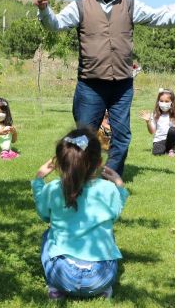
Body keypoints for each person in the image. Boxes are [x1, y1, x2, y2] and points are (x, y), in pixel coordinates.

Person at [33, 0, 175, 176]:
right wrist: (44, 10)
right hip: (90, 85)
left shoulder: (130, 5)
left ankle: (110, 179)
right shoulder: (80, 6)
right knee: (83, 136)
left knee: (122, 136)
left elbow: (159, 17)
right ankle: (76, 176)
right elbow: (55, 24)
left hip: (122, 86)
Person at [32, 128, 128, 300]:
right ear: (99, 162)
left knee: (48, 235)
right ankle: (103, 290)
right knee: (109, 234)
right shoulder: (108, 189)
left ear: (60, 162)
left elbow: (44, 214)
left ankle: (56, 289)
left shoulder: (53, 189)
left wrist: (39, 181)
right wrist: (119, 186)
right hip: (102, 277)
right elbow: (115, 213)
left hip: (62, 275)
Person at [139, 88, 175, 157]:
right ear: (158, 102)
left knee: (173, 130)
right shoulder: (155, 115)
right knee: (157, 153)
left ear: (172, 102)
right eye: (161, 101)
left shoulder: (174, 115)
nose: (164, 103)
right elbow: (152, 132)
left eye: (167, 101)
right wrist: (148, 122)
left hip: (170, 140)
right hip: (159, 140)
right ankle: (167, 149)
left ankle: (172, 149)